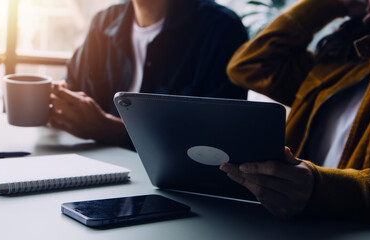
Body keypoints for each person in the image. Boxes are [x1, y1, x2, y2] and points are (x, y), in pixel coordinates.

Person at [223, 0, 370, 229]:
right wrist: (332, 4)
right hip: (289, 225)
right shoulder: (339, 62)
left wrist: (320, 189)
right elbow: (248, 66)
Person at [48, 0, 248, 148]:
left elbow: (213, 142)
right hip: (98, 168)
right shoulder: (104, 22)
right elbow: (72, 91)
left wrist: (109, 130)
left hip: (175, 190)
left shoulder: (221, 29)